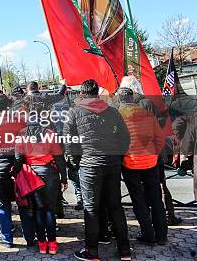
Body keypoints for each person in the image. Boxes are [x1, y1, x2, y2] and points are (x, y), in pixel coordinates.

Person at [64, 79, 131, 261]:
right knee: (115, 206)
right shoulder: (112, 111)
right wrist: (117, 155)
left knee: (91, 209)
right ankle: (124, 250)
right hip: (112, 164)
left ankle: (92, 251)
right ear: (97, 93)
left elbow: (69, 143)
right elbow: (125, 138)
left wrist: (77, 162)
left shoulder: (74, 112)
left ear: (83, 93)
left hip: (89, 165)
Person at [15, 96, 67, 255]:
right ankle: (52, 244)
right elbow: (59, 158)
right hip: (50, 174)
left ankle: (42, 244)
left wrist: (18, 175)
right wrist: (64, 179)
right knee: (50, 210)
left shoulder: (22, 133)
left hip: (32, 175)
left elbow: (18, 158)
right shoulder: (50, 133)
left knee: (38, 210)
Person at [116, 87, 167, 245]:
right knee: (156, 199)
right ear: (133, 98)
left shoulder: (118, 116)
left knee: (138, 201)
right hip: (151, 162)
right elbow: (160, 139)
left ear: (120, 99)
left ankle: (148, 235)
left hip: (131, 164)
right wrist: (152, 153)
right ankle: (162, 236)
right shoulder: (147, 113)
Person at [0, 93, 34, 248]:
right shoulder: (20, 121)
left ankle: (7, 238)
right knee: (23, 203)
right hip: (18, 166)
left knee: (2, 202)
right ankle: (30, 238)